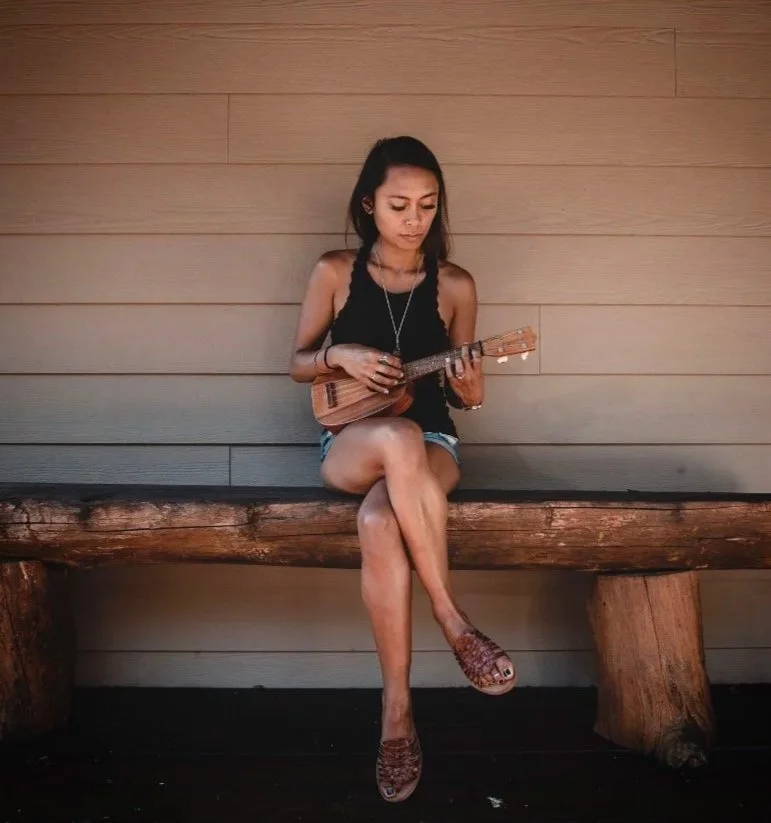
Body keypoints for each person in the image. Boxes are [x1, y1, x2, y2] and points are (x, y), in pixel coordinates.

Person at [288, 136, 516, 802]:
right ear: (369, 205)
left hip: (433, 444)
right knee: (391, 432)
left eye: (425, 205)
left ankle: (396, 717)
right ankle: (451, 618)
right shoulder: (333, 270)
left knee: (383, 514)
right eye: (397, 205)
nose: (412, 218)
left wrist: (472, 385)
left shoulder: (455, 285)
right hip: (351, 440)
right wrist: (344, 354)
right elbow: (299, 363)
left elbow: (468, 397)